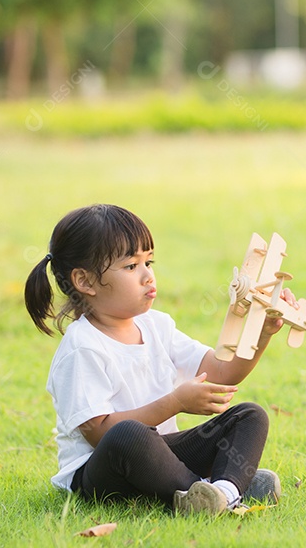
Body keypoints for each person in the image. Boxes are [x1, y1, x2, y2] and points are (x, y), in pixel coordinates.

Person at [24, 204, 289, 516]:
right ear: (85, 281)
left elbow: (222, 372)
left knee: (249, 416)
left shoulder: (157, 326)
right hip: (105, 471)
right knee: (129, 434)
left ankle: (223, 491)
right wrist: (175, 402)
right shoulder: (83, 347)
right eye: (130, 267)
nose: (148, 275)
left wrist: (262, 334)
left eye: (148, 262)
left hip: (160, 456)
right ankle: (208, 486)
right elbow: (99, 433)